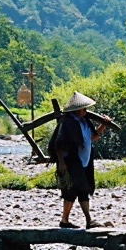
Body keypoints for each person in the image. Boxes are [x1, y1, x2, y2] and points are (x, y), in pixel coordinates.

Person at [49, 91, 111, 229]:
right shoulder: (67, 123)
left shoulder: (84, 121)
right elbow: (59, 144)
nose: (86, 111)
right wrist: (62, 164)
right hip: (71, 160)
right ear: (78, 110)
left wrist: (103, 125)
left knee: (76, 191)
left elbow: (92, 137)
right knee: (79, 189)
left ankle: (65, 221)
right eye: (84, 108)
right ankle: (88, 220)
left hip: (84, 161)